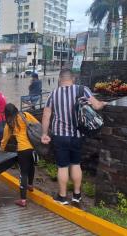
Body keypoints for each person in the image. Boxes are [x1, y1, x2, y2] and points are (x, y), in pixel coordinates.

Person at [41, 69, 107, 205]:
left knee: (62, 166)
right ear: (73, 79)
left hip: (60, 135)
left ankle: (62, 197)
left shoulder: (53, 94)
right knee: (76, 164)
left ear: (59, 80)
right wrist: (103, 104)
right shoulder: (83, 90)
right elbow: (96, 106)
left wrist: (44, 134)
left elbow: (46, 115)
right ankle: (77, 195)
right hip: (77, 135)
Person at [4, 103, 39, 207]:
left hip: (23, 150)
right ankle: (30, 185)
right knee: (31, 166)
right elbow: (37, 124)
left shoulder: (9, 123)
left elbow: (4, 140)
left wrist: (1, 151)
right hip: (33, 147)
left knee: (23, 173)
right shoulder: (26, 115)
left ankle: (23, 200)